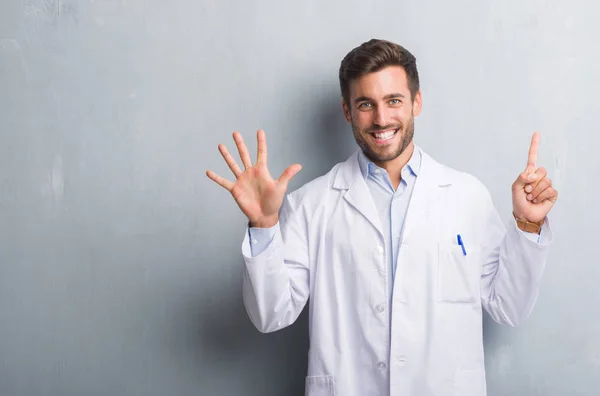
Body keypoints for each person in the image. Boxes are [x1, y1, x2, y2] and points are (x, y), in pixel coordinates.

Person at [206, 39, 558, 396]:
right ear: (347, 111)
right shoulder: (312, 203)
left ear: (416, 102)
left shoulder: (466, 196)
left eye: (394, 101)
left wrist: (528, 225)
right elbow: (271, 314)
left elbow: (510, 306)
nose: (381, 118)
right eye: (365, 104)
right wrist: (264, 225)